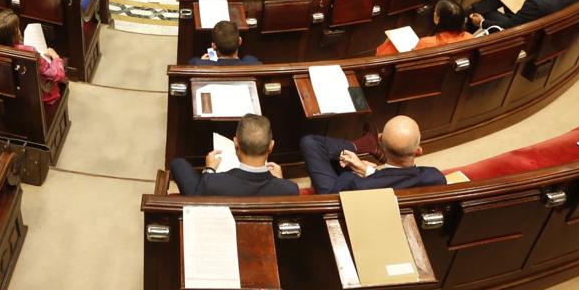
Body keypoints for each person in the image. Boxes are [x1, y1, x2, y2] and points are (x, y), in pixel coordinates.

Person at [299, 115, 445, 194]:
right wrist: (368, 171)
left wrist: (356, 172)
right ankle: (364, 144)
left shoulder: (354, 182)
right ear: (418, 151)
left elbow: (339, 190)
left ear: (380, 141)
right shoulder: (434, 177)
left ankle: (362, 144)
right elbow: (397, 180)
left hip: (334, 197)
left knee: (310, 143)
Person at [170, 113, 299, 197]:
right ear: (271, 146)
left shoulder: (212, 182)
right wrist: (279, 181)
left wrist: (209, 170)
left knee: (178, 164)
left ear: (235, 143)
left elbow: (201, 194)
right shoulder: (289, 190)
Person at [0, 9, 65, 104]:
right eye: (17, 29)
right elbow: (57, 75)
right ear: (13, 36)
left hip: (8, 97)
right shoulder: (30, 53)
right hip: (37, 99)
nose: (19, 31)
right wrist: (55, 56)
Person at [376, 0, 472, 55]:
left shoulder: (427, 43)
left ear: (438, 18)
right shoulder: (469, 37)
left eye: (435, 12)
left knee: (388, 46)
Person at [189, 20, 260, 65]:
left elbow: (194, 62)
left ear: (213, 46)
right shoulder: (254, 64)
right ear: (240, 41)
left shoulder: (197, 64)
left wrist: (202, 62)